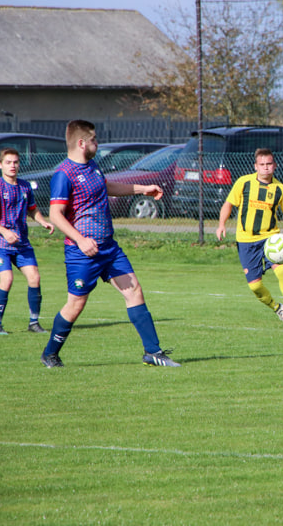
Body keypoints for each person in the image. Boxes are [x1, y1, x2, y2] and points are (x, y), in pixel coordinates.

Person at [40, 120, 179, 368]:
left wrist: (142, 189)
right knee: (76, 305)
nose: (97, 143)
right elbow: (55, 215)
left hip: (109, 248)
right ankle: (50, 353)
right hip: (82, 253)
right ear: (82, 143)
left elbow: (107, 187)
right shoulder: (64, 174)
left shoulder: (92, 167)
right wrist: (81, 241)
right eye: (94, 139)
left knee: (134, 290)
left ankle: (153, 352)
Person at [216, 148, 283, 325]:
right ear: (255, 166)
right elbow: (228, 204)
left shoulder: (280, 189)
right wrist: (221, 224)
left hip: (270, 239)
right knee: (255, 286)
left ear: (275, 165)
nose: (265, 168)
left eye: (269, 164)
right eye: (262, 164)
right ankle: (278, 309)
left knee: (282, 270)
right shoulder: (244, 183)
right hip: (246, 241)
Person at [0, 148, 55, 335]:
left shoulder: (25, 187)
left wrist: (43, 221)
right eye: (8, 162)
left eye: (15, 162)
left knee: (34, 278)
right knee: (7, 280)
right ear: (0, 165)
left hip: (22, 243)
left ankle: (34, 323)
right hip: (1, 244)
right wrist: (5, 232)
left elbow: (32, 209)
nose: (12, 166)